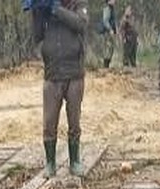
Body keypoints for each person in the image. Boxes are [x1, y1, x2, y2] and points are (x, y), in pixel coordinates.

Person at [34, 0, 89, 176]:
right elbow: (37, 36)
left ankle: (75, 161)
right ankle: (50, 163)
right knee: (49, 122)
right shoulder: (45, 9)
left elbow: (81, 24)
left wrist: (56, 10)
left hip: (74, 73)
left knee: (74, 120)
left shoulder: (78, 4)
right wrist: (37, 12)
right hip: (52, 74)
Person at [100, 0, 117, 67]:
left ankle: (107, 65)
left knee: (111, 49)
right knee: (108, 49)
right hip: (107, 32)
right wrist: (110, 29)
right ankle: (105, 65)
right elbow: (105, 21)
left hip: (110, 32)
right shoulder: (107, 9)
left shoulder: (112, 9)